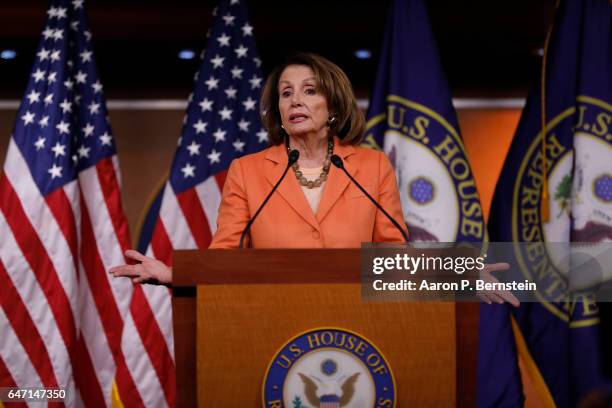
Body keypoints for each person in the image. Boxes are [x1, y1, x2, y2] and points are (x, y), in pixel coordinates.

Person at [109, 53, 519, 307]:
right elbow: (225, 260)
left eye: (308, 90)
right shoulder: (248, 171)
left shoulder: (371, 168)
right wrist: (173, 273)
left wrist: (457, 269)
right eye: (285, 94)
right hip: (271, 323)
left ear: (333, 106)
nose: (295, 101)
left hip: (360, 323)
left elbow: (394, 256)